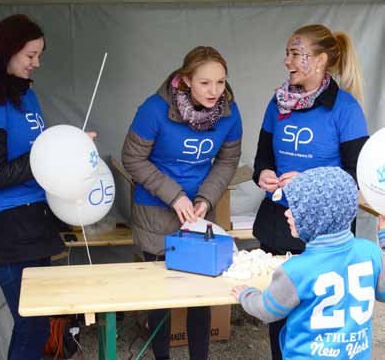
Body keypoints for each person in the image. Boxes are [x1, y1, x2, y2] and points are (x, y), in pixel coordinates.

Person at [252, 24, 369, 359]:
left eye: (295, 53)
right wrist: (264, 174)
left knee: (315, 324)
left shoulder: (345, 109)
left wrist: (305, 184)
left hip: (323, 232)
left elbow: (353, 179)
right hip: (278, 224)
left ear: (321, 60)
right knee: (279, 316)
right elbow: (262, 156)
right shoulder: (277, 104)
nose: (287, 60)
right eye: (287, 52)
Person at [122, 46, 242, 360]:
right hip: (155, 214)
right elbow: (132, 158)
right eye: (205, 83)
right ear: (186, 79)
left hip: (199, 215)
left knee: (200, 297)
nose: (215, 91)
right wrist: (174, 194)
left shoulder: (229, 112)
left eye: (220, 82)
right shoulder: (154, 109)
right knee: (161, 299)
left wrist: (206, 199)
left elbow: (228, 161)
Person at [232, 166, 385, 360]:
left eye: (295, 209)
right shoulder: (370, 251)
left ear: (315, 219)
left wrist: (247, 295)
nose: (287, 213)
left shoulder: (295, 270)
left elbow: (267, 310)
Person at [0, 14, 65, 360]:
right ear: (7, 51)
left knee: (38, 323)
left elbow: (39, 154)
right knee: (28, 325)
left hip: (38, 220)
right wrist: (48, 151)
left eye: (40, 55)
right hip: (5, 227)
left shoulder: (26, 96)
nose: (38, 63)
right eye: (31, 55)